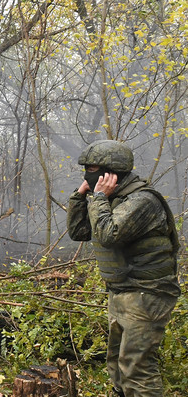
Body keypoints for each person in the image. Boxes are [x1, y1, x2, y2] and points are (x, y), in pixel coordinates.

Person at [67, 140, 180, 397]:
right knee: (117, 367)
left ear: (112, 173)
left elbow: (108, 234)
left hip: (147, 293)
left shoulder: (142, 201)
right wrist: (80, 196)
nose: (89, 174)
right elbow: (79, 231)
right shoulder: (112, 200)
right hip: (122, 291)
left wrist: (98, 198)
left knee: (136, 369)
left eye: (93, 169)